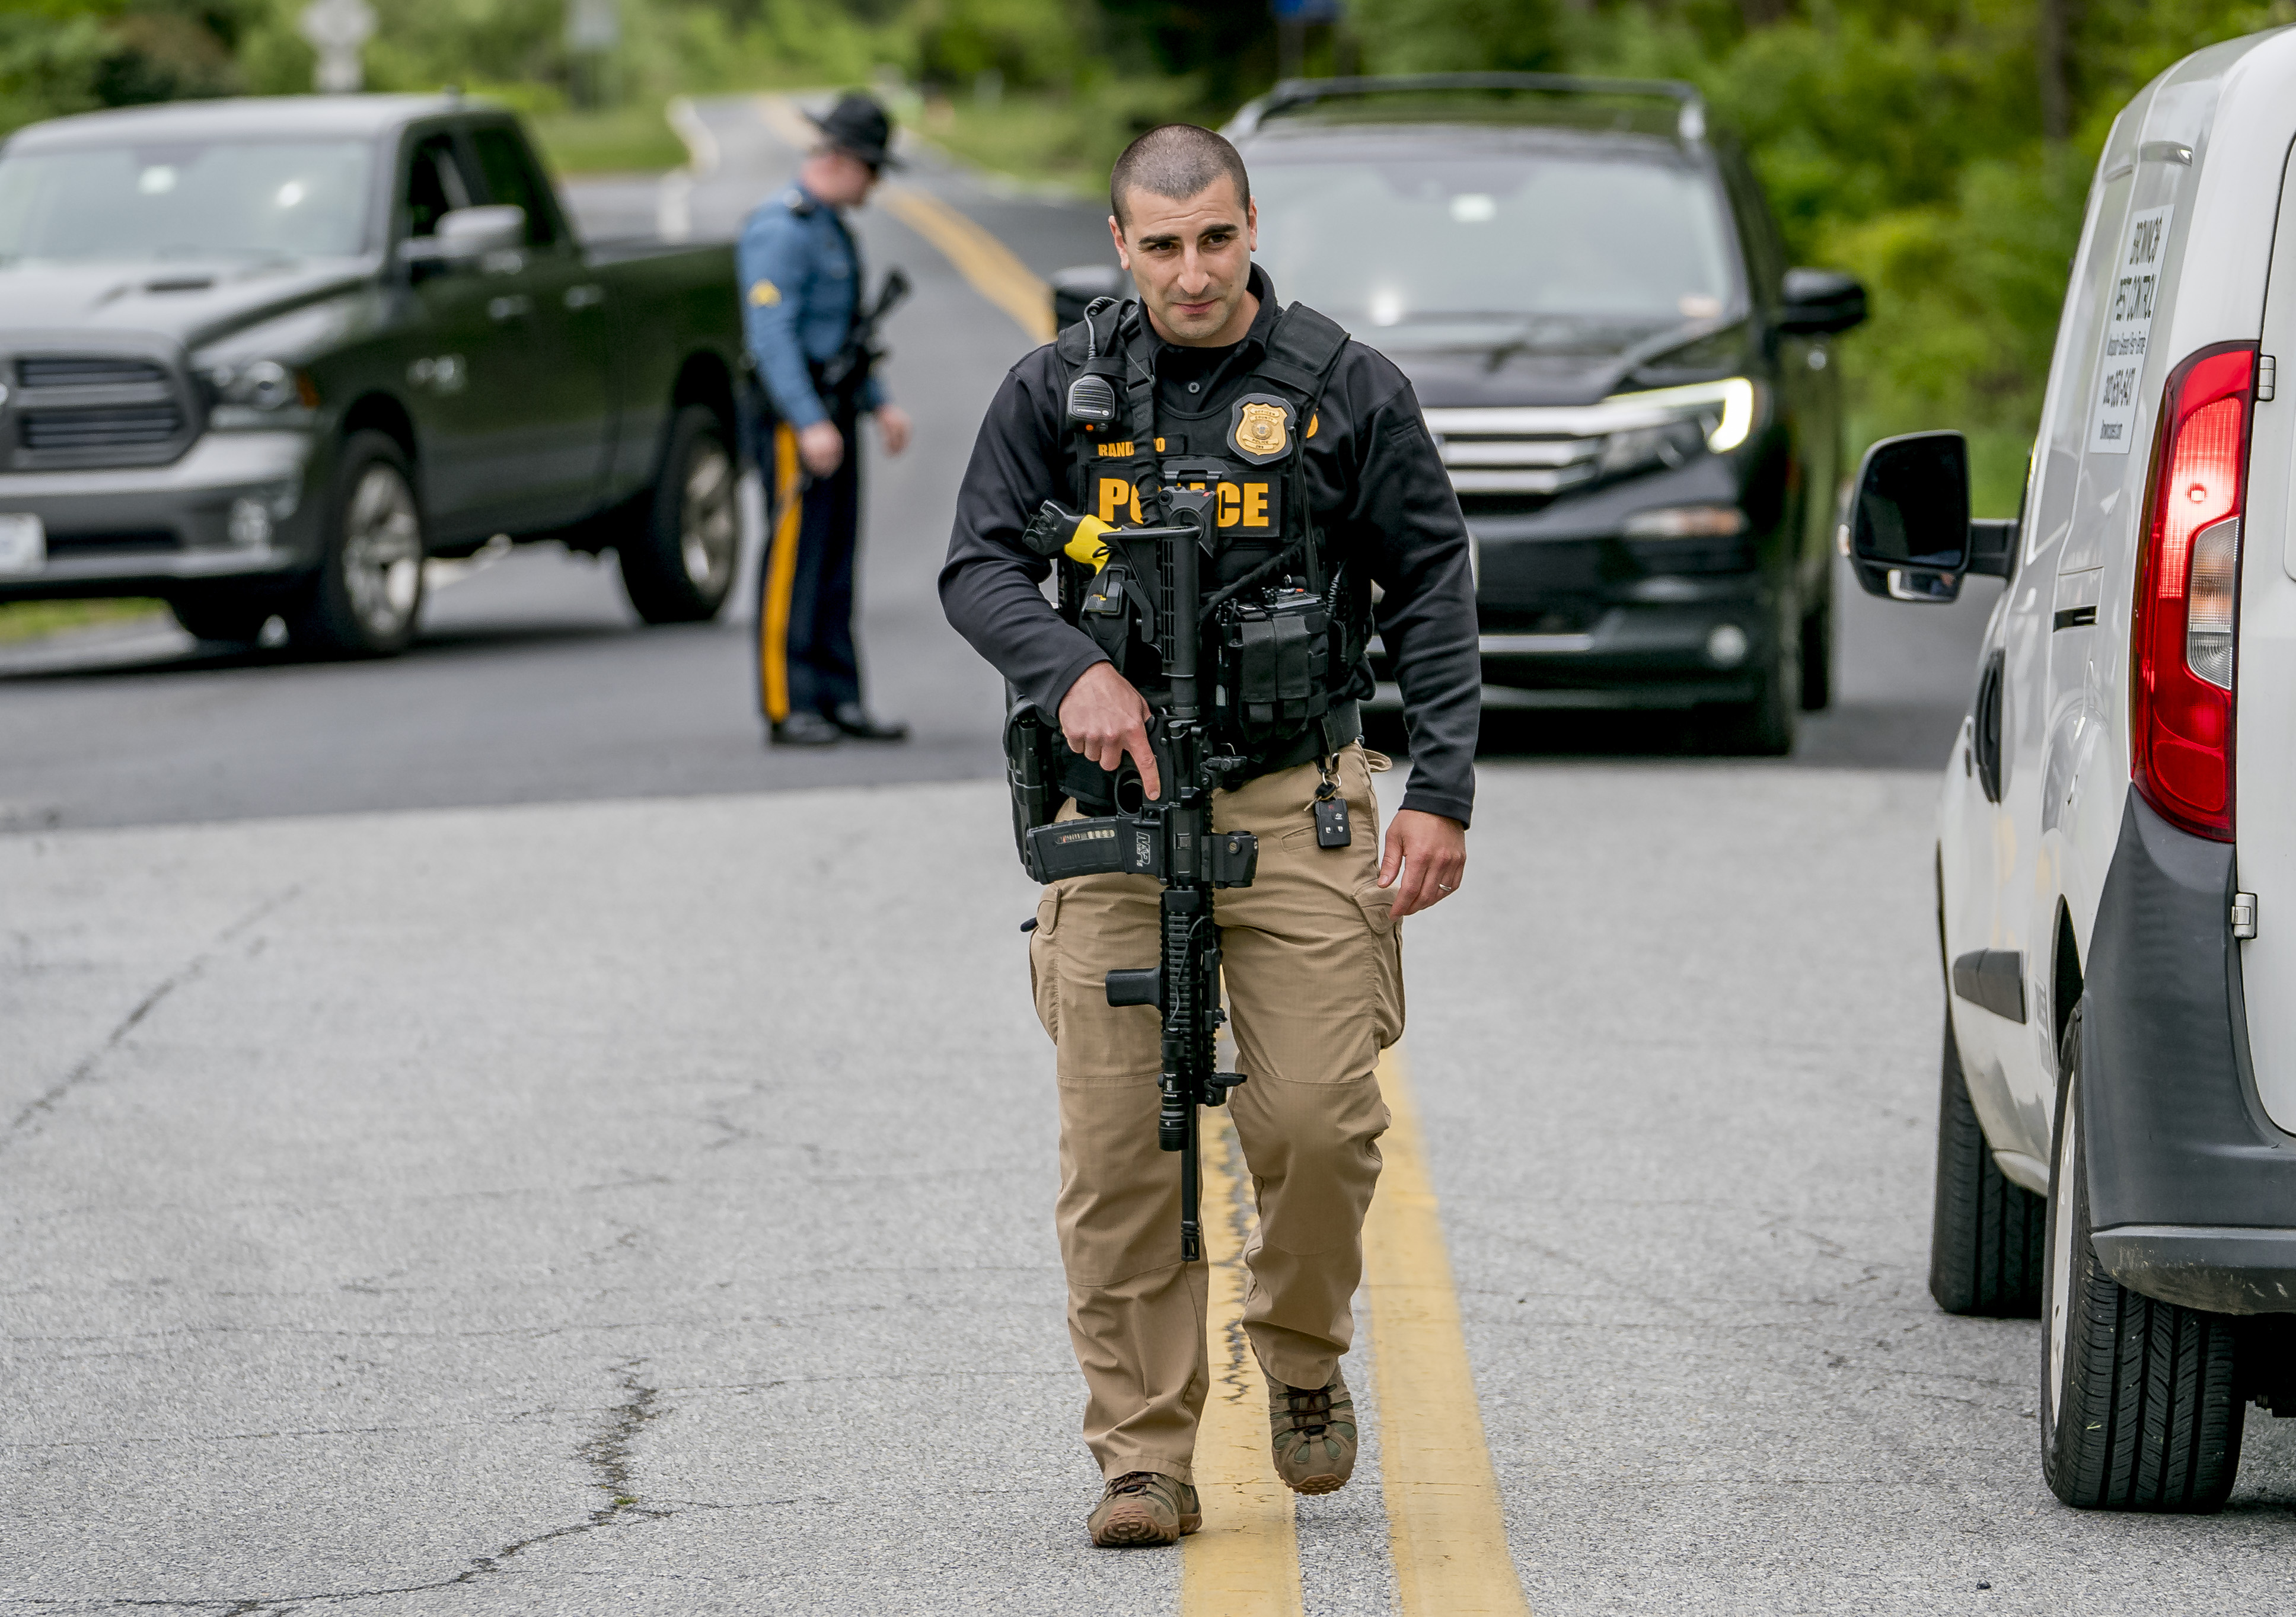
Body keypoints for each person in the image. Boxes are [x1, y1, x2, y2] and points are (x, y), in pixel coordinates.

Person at [940, 123, 1479, 1547]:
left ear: (1251, 228)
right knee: (1122, 1150)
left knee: (1317, 1116)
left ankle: (1299, 1349)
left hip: (1291, 794)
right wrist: (1072, 670)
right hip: (1112, 808)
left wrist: (1441, 789)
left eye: (1216, 239)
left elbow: (1430, 581)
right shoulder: (1055, 392)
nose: (1192, 271)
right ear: (1121, 244)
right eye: (1162, 245)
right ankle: (1142, 1454)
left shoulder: (1346, 386)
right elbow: (977, 565)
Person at [739, 91, 914, 747]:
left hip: (833, 410)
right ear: (843, 160)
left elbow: (845, 335)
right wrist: (809, 420)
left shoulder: (831, 227)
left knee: (836, 558)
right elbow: (773, 338)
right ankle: (788, 704)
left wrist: (879, 402)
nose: (874, 184)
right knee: (794, 558)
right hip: (796, 417)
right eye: (872, 169)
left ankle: (839, 697)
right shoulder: (780, 229)